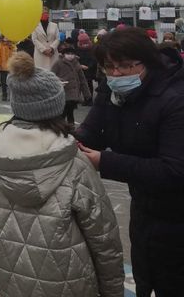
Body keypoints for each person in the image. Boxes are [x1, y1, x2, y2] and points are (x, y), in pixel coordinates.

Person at [0, 51, 124, 296]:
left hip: (13, 277)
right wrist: (113, 290)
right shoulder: (74, 163)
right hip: (70, 281)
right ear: (55, 106)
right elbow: (103, 237)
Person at [76, 27, 184, 296]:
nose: (116, 74)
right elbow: (92, 132)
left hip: (177, 215)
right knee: (144, 278)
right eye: (109, 67)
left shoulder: (175, 99)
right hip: (145, 210)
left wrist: (105, 162)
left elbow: (173, 170)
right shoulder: (112, 91)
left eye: (125, 66)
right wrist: (60, 139)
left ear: (147, 62)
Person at [52, 44, 91, 127]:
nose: (70, 55)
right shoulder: (58, 63)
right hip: (63, 91)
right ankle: (63, 125)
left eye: (72, 54)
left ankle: (69, 126)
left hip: (74, 92)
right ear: (64, 54)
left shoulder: (77, 64)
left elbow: (82, 79)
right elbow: (51, 75)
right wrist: (59, 80)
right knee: (65, 111)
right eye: (68, 54)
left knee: (70, 110)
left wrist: (86, 93)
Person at [75, 33, 97, 104]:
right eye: (83, 43)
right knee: (83, 84)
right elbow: (76, 59)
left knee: (89, 84)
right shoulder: (78, 49)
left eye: (86, 42)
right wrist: (80, 65)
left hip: (90, 69)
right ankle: (85, 99)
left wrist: (89, 66)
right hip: (81, 69)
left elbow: (94, 59)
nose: (85, 45)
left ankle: (89, 99)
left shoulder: (92, 49)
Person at [0, 36, 15, 101]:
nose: (6, 39)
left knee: (12, 82)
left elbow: (15, 54)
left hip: (11, 67)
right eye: (4, 37)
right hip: (3, 67)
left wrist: (10, 46)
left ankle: (12, 96)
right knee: (3, 82)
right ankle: (4, 95)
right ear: (2, 38)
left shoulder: (12, 46)